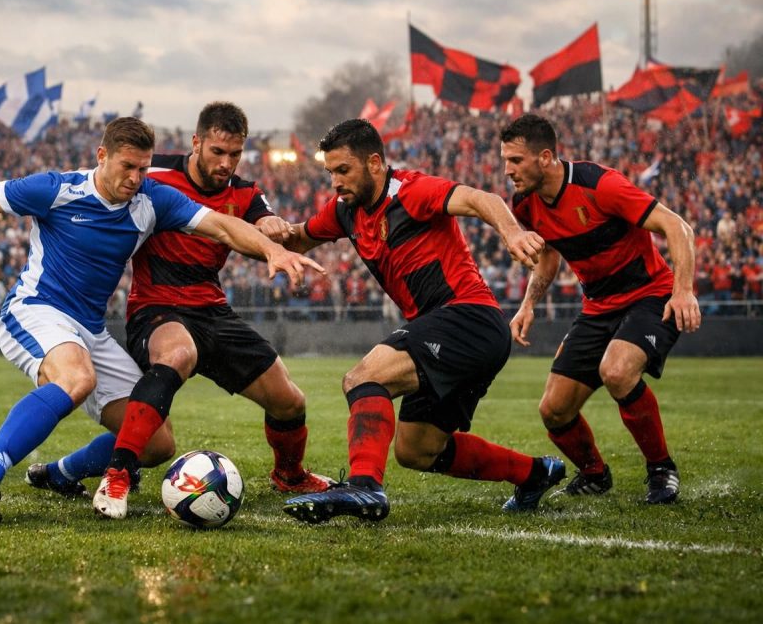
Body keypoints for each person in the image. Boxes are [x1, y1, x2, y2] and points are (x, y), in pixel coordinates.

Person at [0, 117, 322, 523]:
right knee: (76, 378)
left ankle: (59, 473)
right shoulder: (57, 189)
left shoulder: (152, 200)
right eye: (127, 167)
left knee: (156, 442)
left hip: (90, 329)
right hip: (36, 310)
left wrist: (272, 250)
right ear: (103, 156)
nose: (136, 178)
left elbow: (221, 225)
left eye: (144, 168)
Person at [34, 102, 332, 515]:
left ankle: (289, 474)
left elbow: (264, 221)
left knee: (290, 402)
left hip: (212, 310)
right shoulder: (152, 175)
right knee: (177, 354)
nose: (226, 163)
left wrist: (272, 225)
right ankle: (116, 477)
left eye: (234, 154)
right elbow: (101, 189)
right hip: (155, 309)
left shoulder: (245, 192)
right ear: (197, 143)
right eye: (217, 152)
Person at [277, 118, 564, 524]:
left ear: (374, 163)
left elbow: (481, 199)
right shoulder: (345, 212)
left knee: (363, 378)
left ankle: (364, 487)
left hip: (468, 318)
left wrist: (512, 234)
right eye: (330, 172)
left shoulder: (411, 191)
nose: (335, 182)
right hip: (451, 331)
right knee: (418, 449)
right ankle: (536, 473)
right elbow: (297, 237)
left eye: (343, 170)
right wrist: (262, 227)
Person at [501, 113, 699, 504]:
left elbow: (677, 227)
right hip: (597, 308)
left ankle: (661, 469)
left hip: (650, 295)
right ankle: (594, 473)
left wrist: (683, 290)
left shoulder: (601, 185)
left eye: (516, 161)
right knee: (554, 411)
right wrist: (528, 305)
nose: (508, 170)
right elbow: (548, 256)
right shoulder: (524, 204)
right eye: (505, 160)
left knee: (617, 370)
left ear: (545, 157)